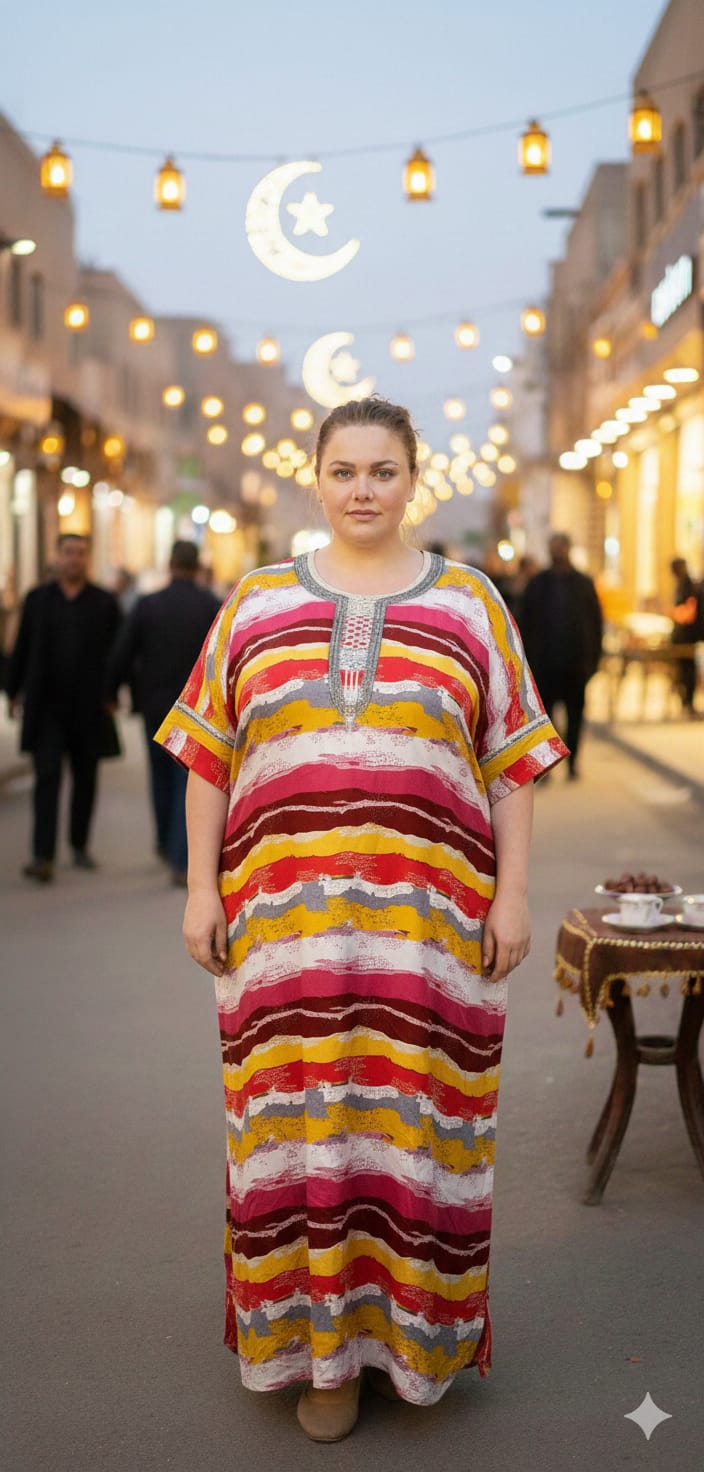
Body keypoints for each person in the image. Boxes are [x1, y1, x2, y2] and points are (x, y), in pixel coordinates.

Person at [154, 397, 567, 1441]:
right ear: (316, 478)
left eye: (382, 470)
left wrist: (513, 893)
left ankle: (408, 1346)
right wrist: (201, 887)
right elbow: (209, 756)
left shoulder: (471, 605)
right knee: (295, 1136)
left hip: (428, 942)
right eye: (343, 470)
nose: (362, 489)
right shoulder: (254, 602)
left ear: (412, 479)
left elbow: (512, 764)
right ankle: (319, 1360)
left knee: (415, 1132)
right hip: (281, 940)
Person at [5, 533, 121, 882]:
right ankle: (42, 856)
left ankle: (79, 844)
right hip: (47, 708)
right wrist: (13, 691)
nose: (73, 559)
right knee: (47, 777)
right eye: (68, 552)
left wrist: (113, 692)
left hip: (89, 706)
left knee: (86, 777)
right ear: (58, 556)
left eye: (80, 553)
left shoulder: (103, 602)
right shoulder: (38, 599)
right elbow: (22, 646)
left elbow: (118, 652)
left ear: (87, 558)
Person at [107, 540, 221, 885]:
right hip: (197, 708)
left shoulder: (148, 605)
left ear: (170, 564)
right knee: (186, 779)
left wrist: (112, 691)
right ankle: (180, 856)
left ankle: (163, 841)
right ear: (196, 566)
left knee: (159, 774)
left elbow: (123, 652)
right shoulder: (211, 606)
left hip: (155, 704)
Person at [519, 533, 603, 779]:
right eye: (553, 548)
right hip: (544, 665)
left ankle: (573, 764)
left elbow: (595, 623)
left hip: (576, 664)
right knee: (545, 721)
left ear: (568, 549)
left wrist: (593, 661)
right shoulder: (538, 584)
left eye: (560, 547)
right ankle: (547, 767)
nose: (557, 552)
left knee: (575, 717)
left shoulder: (583, 583)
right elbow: (524, 624)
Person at [667, 556, 702, 715]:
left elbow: (688, 610)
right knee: (684, 668)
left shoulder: (686, 584)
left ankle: (688, 701)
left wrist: (675, 614)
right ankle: (686, 700)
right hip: (684, 634)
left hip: (686, 634)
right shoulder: (684, 583)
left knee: (687, 669)